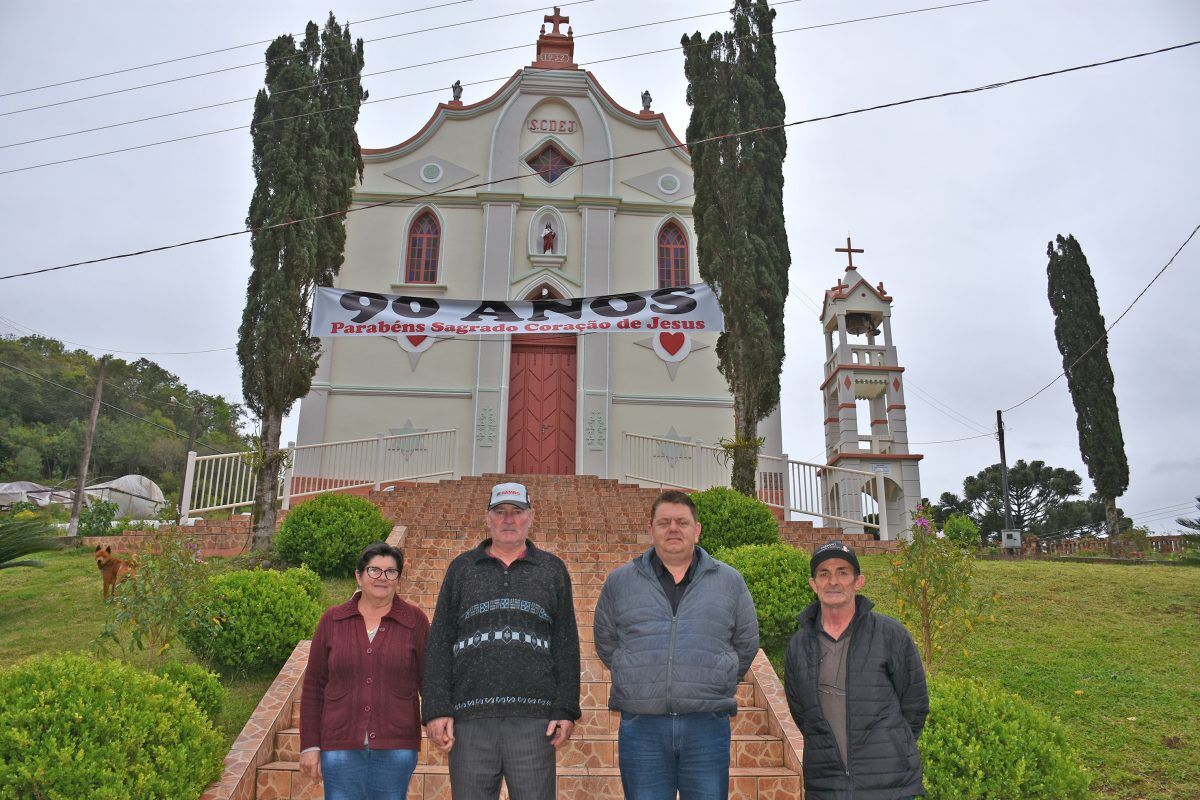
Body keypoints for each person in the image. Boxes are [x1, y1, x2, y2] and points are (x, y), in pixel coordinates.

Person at [594, 489, 759, 800]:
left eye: (682, 522)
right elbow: (606, 640)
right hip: (642, 726)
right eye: (664, 522)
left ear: (696, 530)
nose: (673, 529)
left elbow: (746, 640)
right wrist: (630, 670)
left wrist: (720, 675)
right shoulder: (620, 582)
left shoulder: (729, 581)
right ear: (651, 530)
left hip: (706, 727)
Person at [421, 482, 580, 800]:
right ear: (488, 518)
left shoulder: (552, 570)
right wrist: (437, 709)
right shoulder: (461, 569)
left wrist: (565, 708)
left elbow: (565, 643)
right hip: (470, 723)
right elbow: (440, 640)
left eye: (517, 512)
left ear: (530, 518)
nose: (509, 519)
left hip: (535, 724)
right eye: (500, 512)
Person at [784, 541, 929, 800]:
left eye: (843, 572)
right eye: (824, 574)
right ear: (813, 584)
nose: (833, 581)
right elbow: (802, 714)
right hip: (827, 786)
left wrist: (890, 745)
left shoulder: (891, 636)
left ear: (858, 581)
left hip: (889, 786)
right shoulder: (798, 645)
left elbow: (915, 705)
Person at [299, 542, 429, 800]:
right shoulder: (333, 620)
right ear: (358, 575)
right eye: (374, 570)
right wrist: (310, 745)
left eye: (391, 572)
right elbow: (314, 686)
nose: (382, 578)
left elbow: (430, 681)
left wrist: (439, 721)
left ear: (398, 579)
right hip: (339, 745)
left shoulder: (415, 621)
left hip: (396, 746)